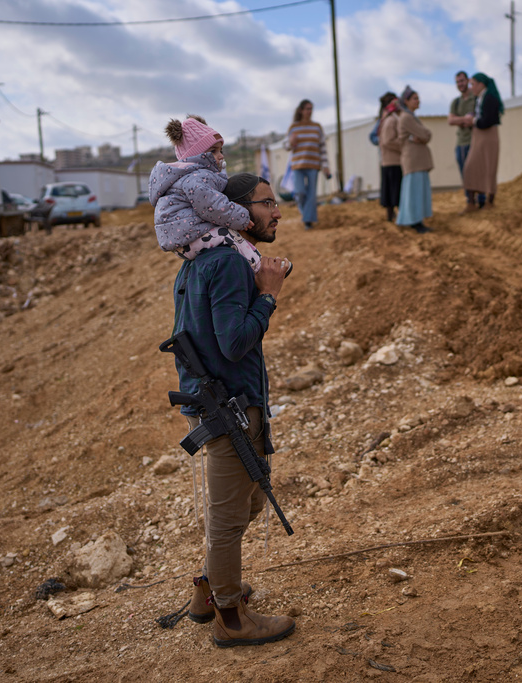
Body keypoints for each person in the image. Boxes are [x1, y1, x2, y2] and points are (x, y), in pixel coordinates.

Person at [173, 171, 296, 646]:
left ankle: (208, 588)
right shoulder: (225, 263)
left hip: (229, 403)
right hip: (230, 408)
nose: (277, 211)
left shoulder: (200, 260)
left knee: (251, 498)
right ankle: (230, 617)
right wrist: (268, 296)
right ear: (237, 213)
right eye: (266, 204)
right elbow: (233, 343)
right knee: (228, 517)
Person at [150, 115, 262, 272]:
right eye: (213, 151)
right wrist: (241, 216)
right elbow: (212, 206)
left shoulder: (189, 175)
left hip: (182, 237)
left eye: (220, 150)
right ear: (197, 156)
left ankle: (252, 265)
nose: (221, 155)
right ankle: (260, 268)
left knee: (230, 239)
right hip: (190, 235)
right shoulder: (197, 177)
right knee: (230, 236)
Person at [460, 72, 504, 212]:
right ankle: (471, 203)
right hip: (478, 137)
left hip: (488, 137)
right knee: (470, 167)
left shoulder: (490, 98)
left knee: (489, 168)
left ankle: (489, 203)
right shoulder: (480, 98)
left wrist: (473, 121)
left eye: (472, 84)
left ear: (481, 84)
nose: (471, 87)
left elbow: (488, 121)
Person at [287, 100, 331, 229]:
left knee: (311, 194)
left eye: (311, 109)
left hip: (313, 165)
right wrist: (291, 142)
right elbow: (286, 146)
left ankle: (308, 221)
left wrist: (326, 166)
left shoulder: (317, 127)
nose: (310, 111)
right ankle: (305, 214)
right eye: (307, 108)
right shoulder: (294, 127)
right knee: (300, 192)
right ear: (301, 110)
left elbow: (322, 148)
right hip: (297, 166)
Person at [395, 86, 433, 234]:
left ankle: (416, 220)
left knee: (416, 192)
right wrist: (423, 136)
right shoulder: (407, 118)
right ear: (407, 101)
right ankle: (415, 221)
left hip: (416, 161)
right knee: (414, 192)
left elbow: (426, 135)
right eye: (415, 98)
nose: (418, 101)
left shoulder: (410, 117)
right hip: (413, 161)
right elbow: (426, 134)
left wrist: (423, 136)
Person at [447, 71, 476, 209]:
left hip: (475, 141)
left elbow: (477, 118)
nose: (460, 84)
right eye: (458, 82)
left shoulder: (475, 98)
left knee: (477, 171)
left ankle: (481, 200)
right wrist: (465, 119)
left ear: (468, 80)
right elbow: (450, 120)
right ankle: (470, 202)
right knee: (465, 173)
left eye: (462, 81)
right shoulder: (456, 102)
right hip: (461, 143)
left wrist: (460, 120)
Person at [377, 92, 403, 223]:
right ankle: (397, 217)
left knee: (391, 191)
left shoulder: (385, 119)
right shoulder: (391, 120)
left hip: (388, 160)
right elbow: (388, 141)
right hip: (393, 161)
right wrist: (403, 145)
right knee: (395, 191)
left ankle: (392, 216)